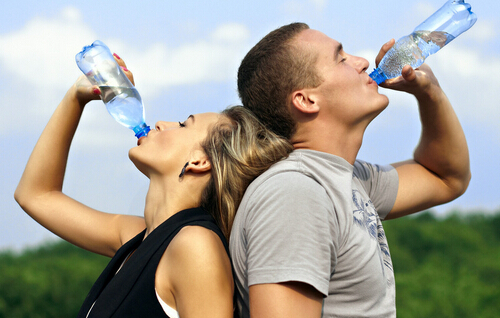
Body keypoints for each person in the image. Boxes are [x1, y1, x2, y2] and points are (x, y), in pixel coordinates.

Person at [14, 55, 293, 318]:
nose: (161, 123)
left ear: (199, 160)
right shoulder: (137, 237)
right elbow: (35, 195)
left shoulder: (195, 246)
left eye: (183, 125)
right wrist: (76, 97)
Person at [230, 22, 471, 317]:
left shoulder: (346, 179)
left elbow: (447, 178)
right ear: (306, 100)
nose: (363, 62)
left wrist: (430, 93)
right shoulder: (296, 194)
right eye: (341, 58)